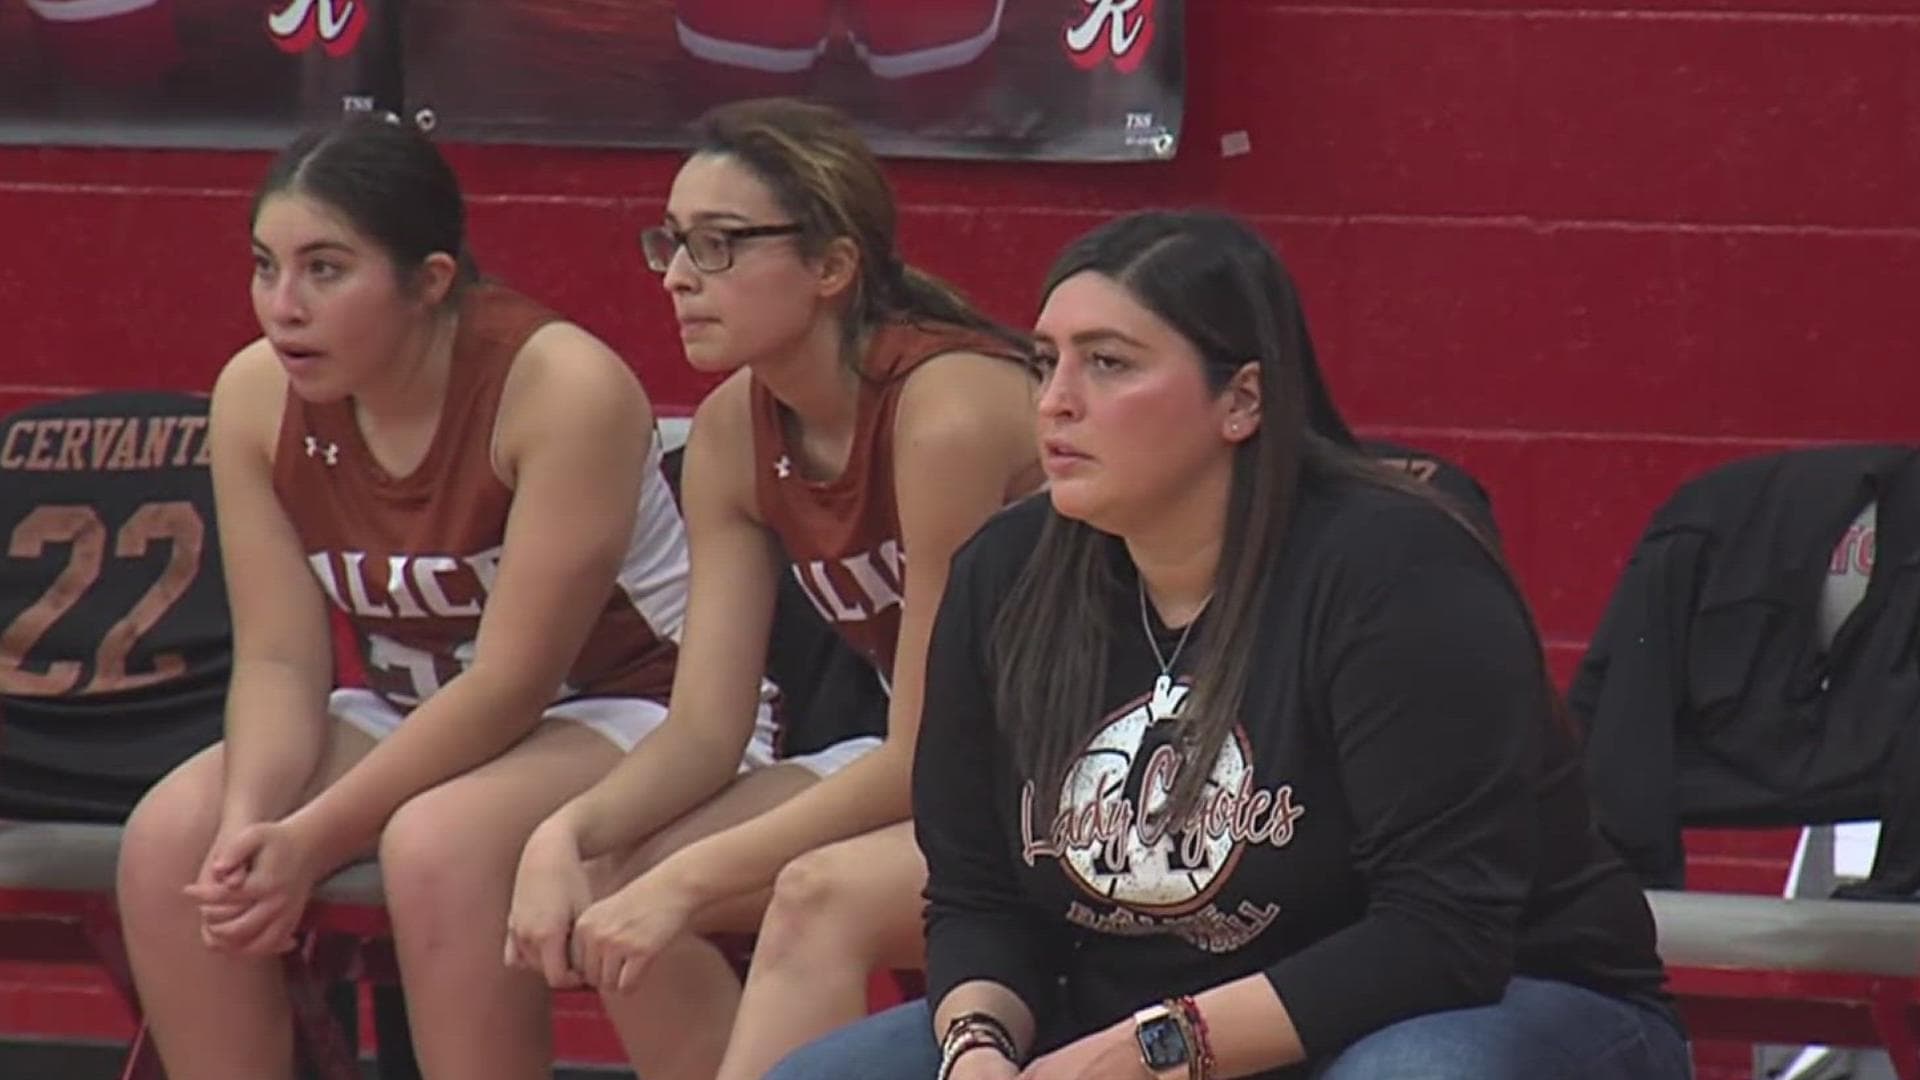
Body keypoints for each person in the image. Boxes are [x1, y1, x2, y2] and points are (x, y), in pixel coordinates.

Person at [765, 209, 1691, 1080]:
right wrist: (976, 1052)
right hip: (1140, 1022)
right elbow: (978, 898)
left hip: (1485, 1006)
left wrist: (1154, 1052)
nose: (1055, 402)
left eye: (1109, 364)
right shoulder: (1003, 574)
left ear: (1242, 399)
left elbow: (1441, 934)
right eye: (1046, 363)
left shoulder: (1396, 570)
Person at [114, 115, 697, 1080]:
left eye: (325, 270)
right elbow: (279, 659)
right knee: (174, 839)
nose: (282, 306)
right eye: (265, 266)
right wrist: (253, 822)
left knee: (440, 843)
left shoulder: (562, 386)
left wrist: (312, 839)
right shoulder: (254, 395)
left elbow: (511, 685)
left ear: (429, 281)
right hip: (418, 708)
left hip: (630, 709)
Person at [502, 97, 1041, 1080]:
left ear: (832, 266)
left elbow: (927, 754)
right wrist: (565, 832)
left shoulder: (945, 412)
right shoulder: (727, 432)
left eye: (719, 244)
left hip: (1079, 777)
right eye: (672, 241)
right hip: (949, 769)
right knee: (614, 882)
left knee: (799, 893)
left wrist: (688, 876)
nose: (677, 275)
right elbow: (707, 729)